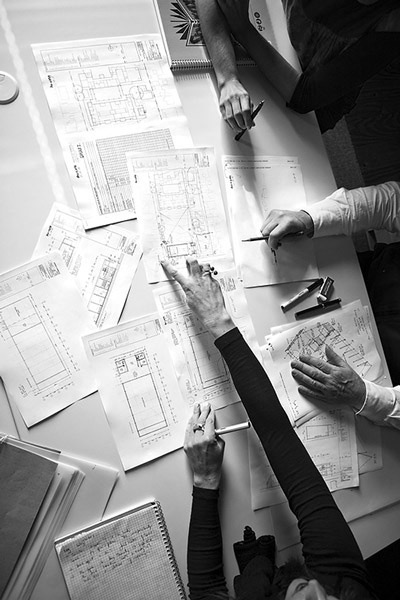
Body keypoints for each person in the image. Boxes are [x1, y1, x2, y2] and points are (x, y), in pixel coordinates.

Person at [162, 257, 379, 600]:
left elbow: (205, 591)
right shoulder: (348, 588)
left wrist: (205, 480)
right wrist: (218, 321)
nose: (316, 592)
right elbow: (279, 437)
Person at [261, 180, 400, 431]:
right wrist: (309, 219)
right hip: (369, 275)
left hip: (382, 372)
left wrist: (363, 396)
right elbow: (391, 203)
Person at [195, 0, 400, 134]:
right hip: (275, 33)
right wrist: (228, 79)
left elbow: (307, 96)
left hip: (312, 102)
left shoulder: (392, 21)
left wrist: (242, 28)